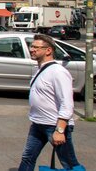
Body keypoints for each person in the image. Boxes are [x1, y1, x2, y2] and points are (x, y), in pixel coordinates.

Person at [18, 34, 81, 171]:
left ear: (48, 50)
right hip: (38, 124)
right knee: (27, 158)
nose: (32, 49)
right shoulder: (40, 69)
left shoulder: (58, 71)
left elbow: (67, 103)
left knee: (69, 163)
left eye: (36, 47)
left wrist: (60, 130)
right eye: (32, 46)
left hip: (54, 125)